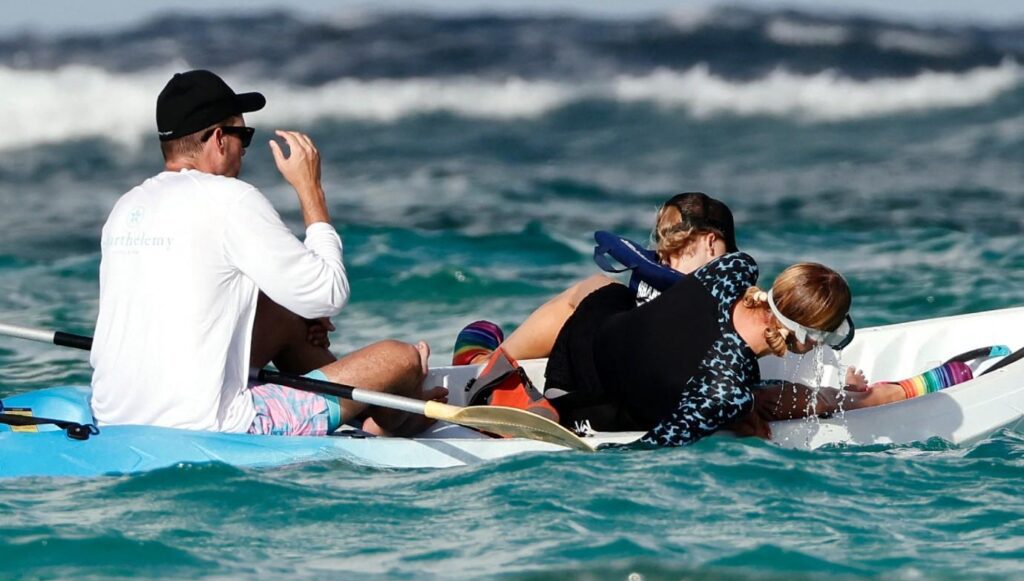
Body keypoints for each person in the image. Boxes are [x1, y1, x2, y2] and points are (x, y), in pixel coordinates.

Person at [90, 69, 443, 437]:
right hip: (216, 425)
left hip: (116, 413)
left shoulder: (126, 207)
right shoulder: (230, 199)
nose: (244, 148)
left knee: (287, 315)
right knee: (400, 359)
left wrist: (298, 311)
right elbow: (329, 294)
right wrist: (311, 191)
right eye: (243, 135)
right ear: (218, 139)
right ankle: (384, 421)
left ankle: (358, 408)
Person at [545, 254, 853, 445]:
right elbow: (644, 452)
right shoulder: (726, 394)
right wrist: (739, 413)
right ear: (807, 335)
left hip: (583, 340)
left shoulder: (735, 268)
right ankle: (878, 394)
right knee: (765, 400)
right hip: (582, 408)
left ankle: (500, 351)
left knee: (602, 286)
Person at [453, 192, 738, 365]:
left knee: (597, 289)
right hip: (646, 376)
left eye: (671, 245)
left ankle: (487, 363)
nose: (664, 258)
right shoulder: (738, 302)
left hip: (622, 376)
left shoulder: (728, 301)